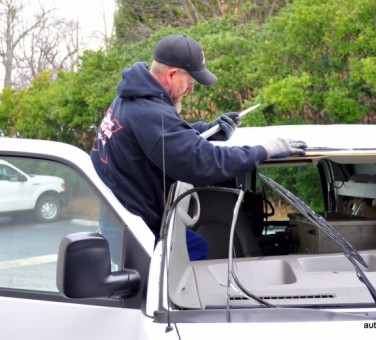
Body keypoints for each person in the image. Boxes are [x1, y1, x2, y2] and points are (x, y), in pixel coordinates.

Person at [91, 34, 307, 261]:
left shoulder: (132, 96)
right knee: (187, 259)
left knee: (195, 248)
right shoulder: (150, 112)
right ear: (172, 75)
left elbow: (160, 139)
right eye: (191, 82)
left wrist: (212, 129)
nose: (191, 90)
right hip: (135, 228)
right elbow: (204, 163)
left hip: (121, 218)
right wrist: (264, 151)